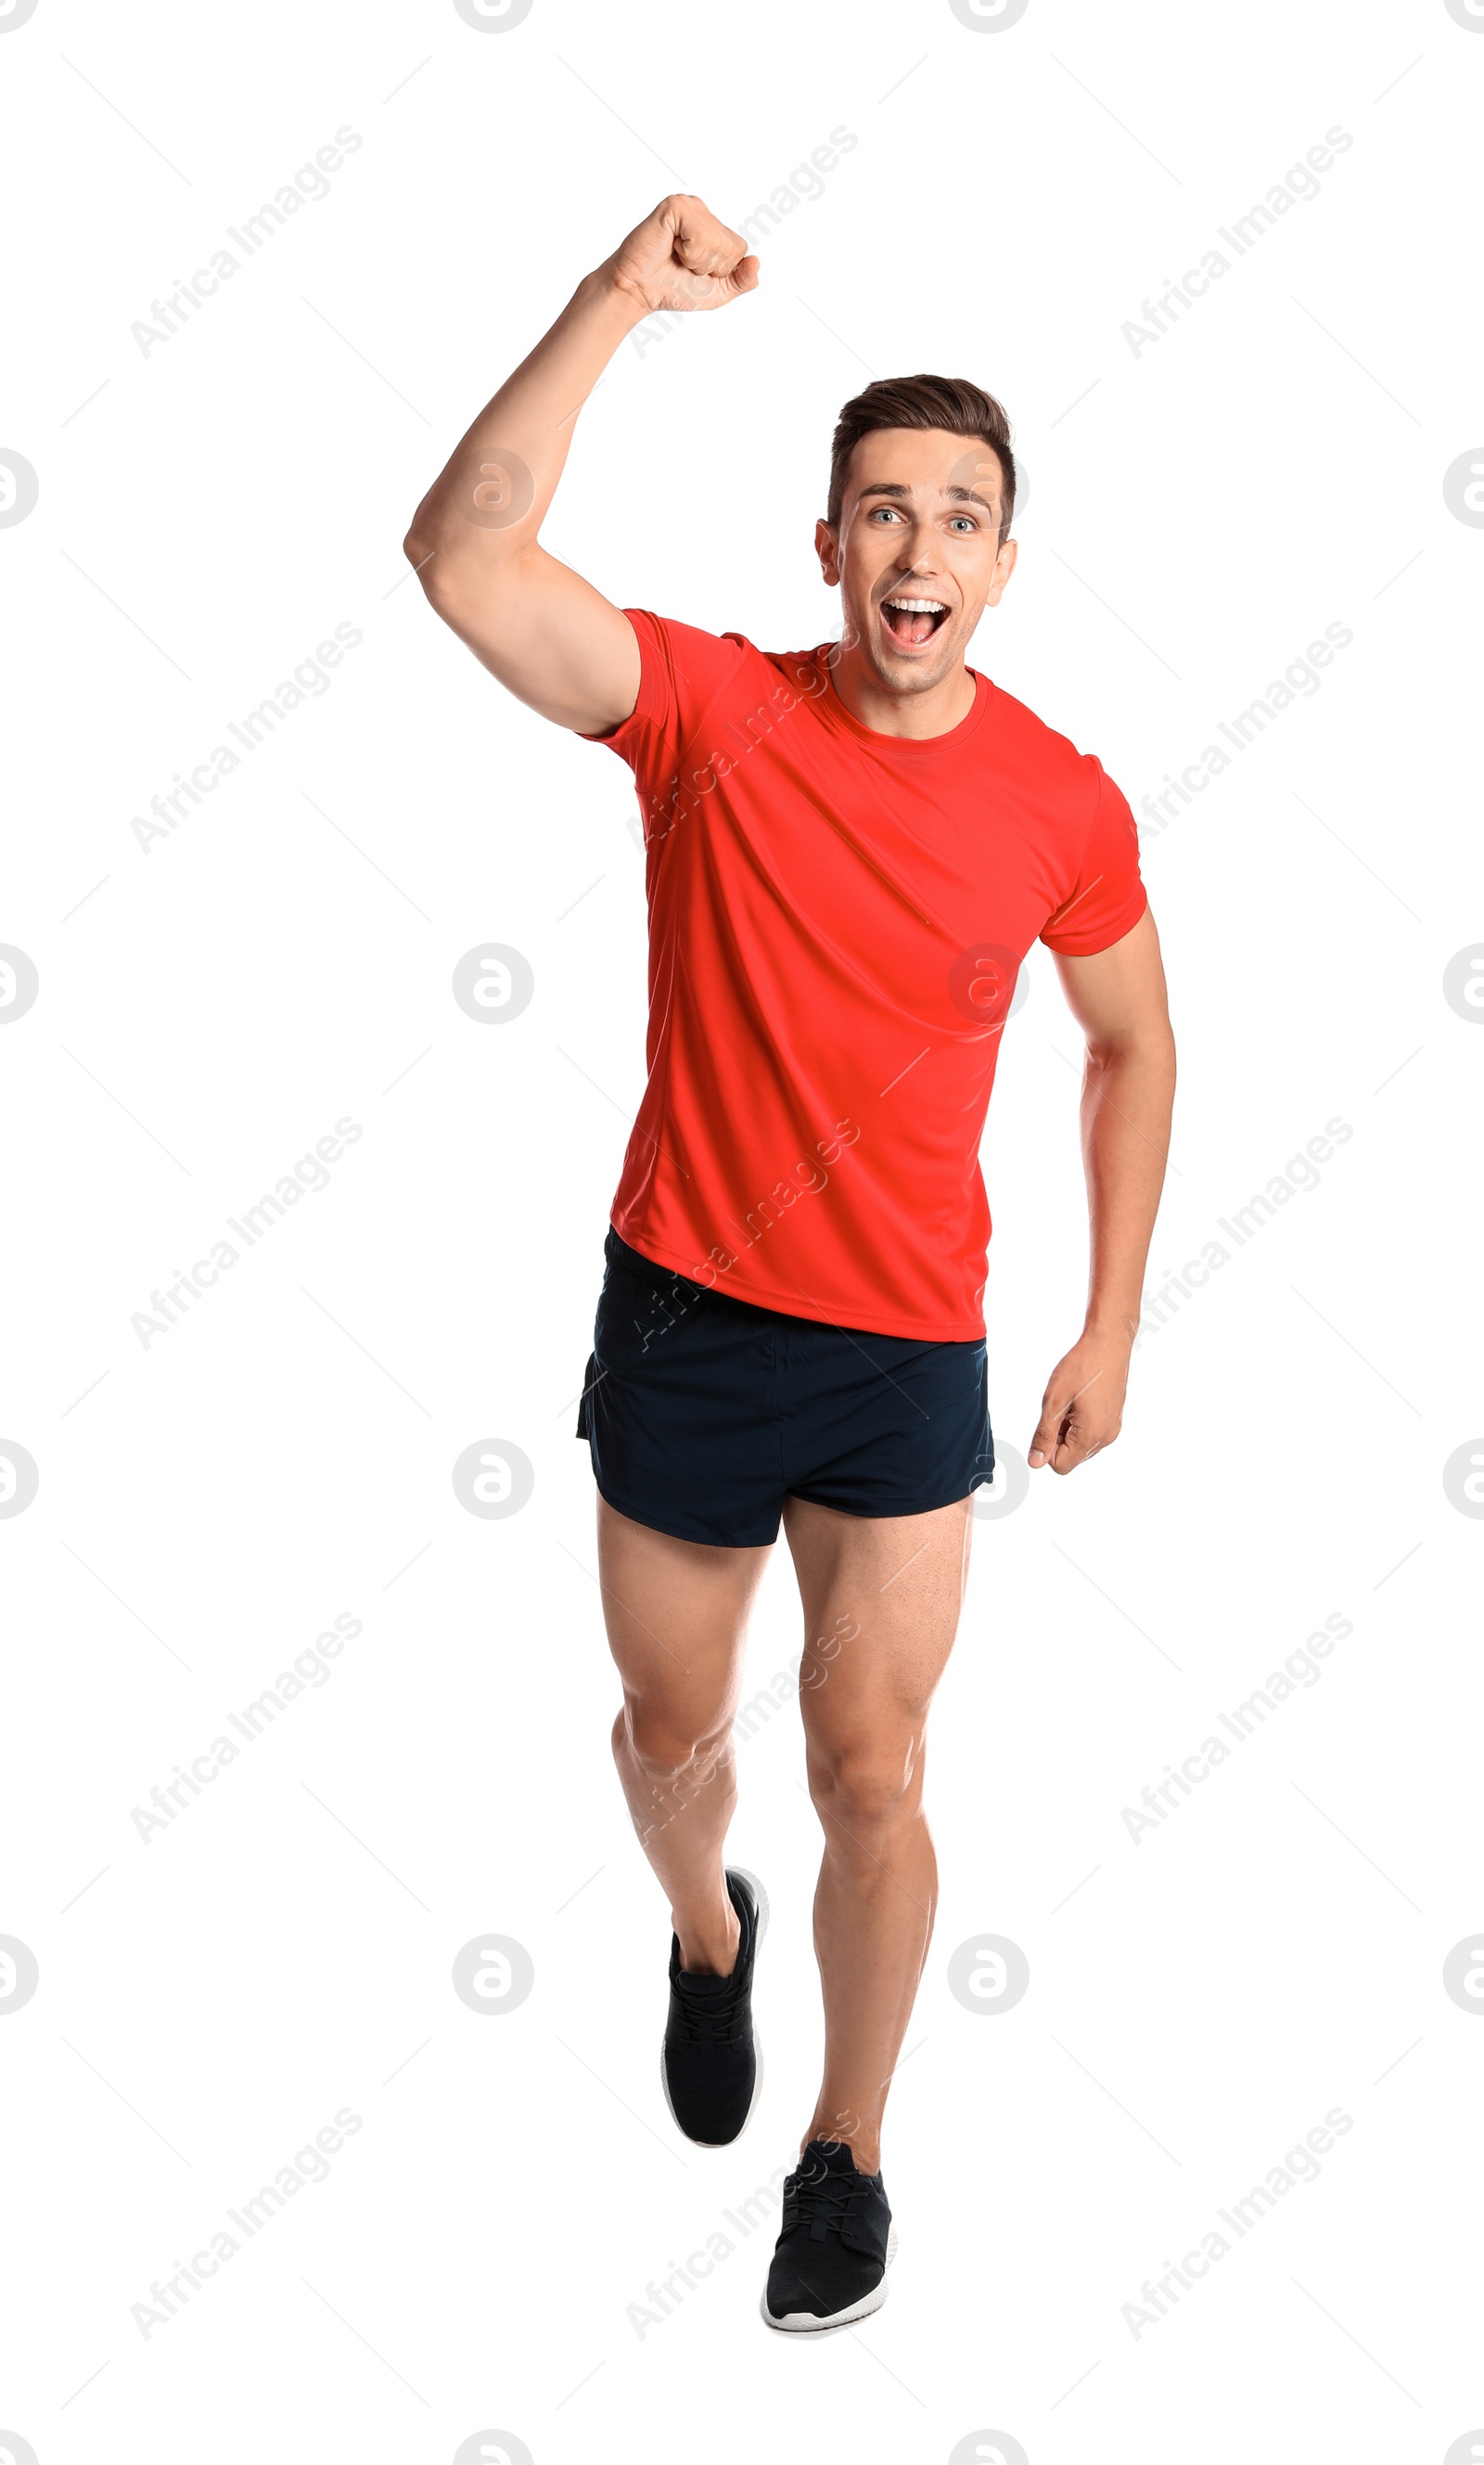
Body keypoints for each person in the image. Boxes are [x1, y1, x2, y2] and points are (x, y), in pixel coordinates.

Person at [404, 194, 1176, 2334]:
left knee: (873, 1766)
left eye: (958, 514)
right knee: (670, 1735)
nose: (916, 547)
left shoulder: (1060, 803)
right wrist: (609, 307)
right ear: (825, 550)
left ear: (1002, 565)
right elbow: (464, 561)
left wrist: (1109, 1318)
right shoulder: (715, 722)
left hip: (905, 1350)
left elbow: (1128, 1040)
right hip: (686, 1317)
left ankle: (843, 2157)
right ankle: (702, 1936)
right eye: (877, 512)